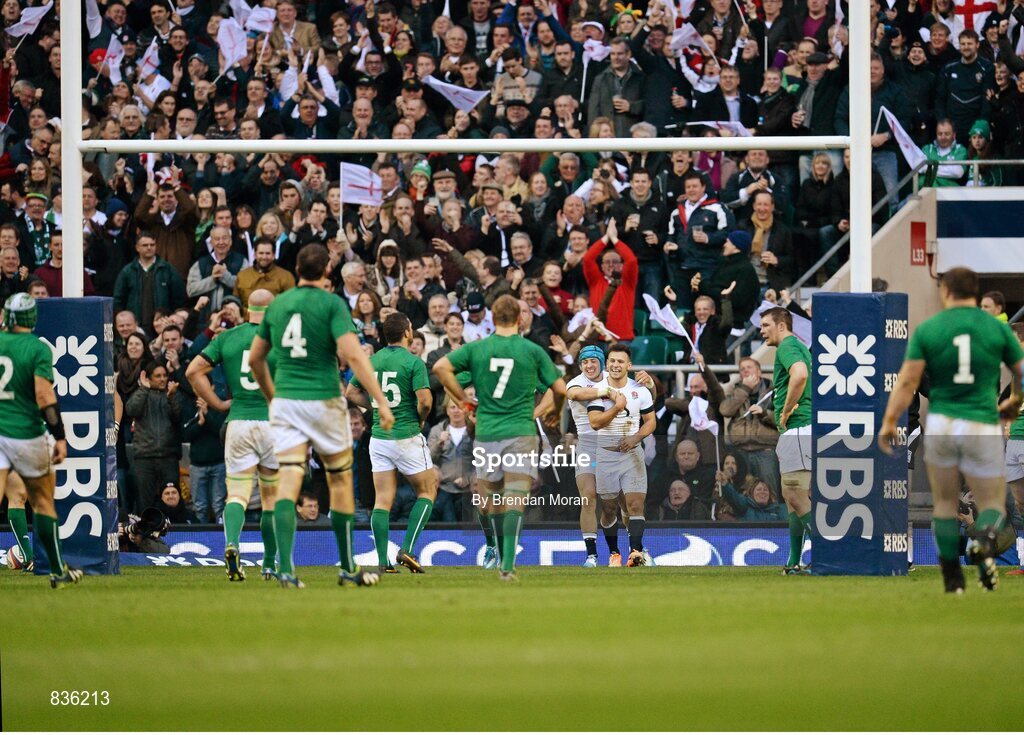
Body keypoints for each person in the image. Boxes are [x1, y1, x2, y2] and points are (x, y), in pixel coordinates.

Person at [248, 244, 394, 589]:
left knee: (288, 479)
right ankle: (346, 567)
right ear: (328, 271)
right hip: (324, 400)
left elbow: (256, 359)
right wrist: (381, 402)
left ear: (297, 269)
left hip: (286, 401)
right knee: (340, 480)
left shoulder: (279, 304)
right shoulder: (332, 304)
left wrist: (273, 397)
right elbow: (355, 357)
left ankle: (285, 569)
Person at [880, 267, 1024, 594]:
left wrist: (890, 420)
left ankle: (952, 576)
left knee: (945, 504)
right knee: (991, 504)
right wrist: (1011, 408)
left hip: (944, 423)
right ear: (975, 293)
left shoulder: (929, 329)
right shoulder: (994, 329)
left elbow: (907, 381)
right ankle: (984, 539)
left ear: (945, 291)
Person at [433, 294, 566, 580]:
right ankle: (507, 565)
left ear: (492, 318)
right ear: (519, 318)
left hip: (488, 432)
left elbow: (440, 367)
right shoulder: (531, 351)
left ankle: (493, 548)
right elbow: (561, 388)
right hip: (520, 432)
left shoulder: (478, 349)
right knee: (516, 497)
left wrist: (465, 403)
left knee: (490, 500)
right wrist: (551, 412)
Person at [186, 289, 281, 582]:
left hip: (238, 421)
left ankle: (231, 545)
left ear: (247, 308)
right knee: (270, 499)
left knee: (237, 494)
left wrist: (216, 404)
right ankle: (268, 562)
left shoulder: (227, 338)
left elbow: (193, 371)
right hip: (272, 423)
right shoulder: (281, 338)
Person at [346, 312, 437, 574]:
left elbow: (351, 392)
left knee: (382, 501)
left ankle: (383, 562)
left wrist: (377, 408)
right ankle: (406, 549)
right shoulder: (413, 362)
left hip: (380, 438)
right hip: (406, 434)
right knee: (427, 492)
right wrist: (420, 419)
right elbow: (426, 401)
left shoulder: (371, 360)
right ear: (407, 333)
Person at [0, 294, 80, 587]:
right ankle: (58, 570)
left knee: (13, 497)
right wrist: (60, 437)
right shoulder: (36, 348)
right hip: (26, 434)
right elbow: (45, 396)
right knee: (43, 502)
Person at [586, 343, 656, 568]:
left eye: (620, 361)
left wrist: (636, 438)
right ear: (607, 364)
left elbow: (651, 421)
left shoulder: (640, 389)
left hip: (632, 453)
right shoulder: (598, 389)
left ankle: (636, 553)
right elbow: (595, 423)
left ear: (629, 365)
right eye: (612, 361)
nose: (616, 365)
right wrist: (616, 407)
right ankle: (614, 552)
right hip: (605, 455)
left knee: (636, 504)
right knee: (608, 508)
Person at [759, 306, 813, 575]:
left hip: (799, 429)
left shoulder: (787, 346)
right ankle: (794, 561)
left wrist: (787, 407)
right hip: (799, 431)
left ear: (782, 325)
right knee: (791, 498)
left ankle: (827, 554)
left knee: (795, 494)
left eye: (766, 325)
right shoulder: (797, 345)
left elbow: (800, 374)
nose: (761, 330)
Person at [565, 345, 609, 568]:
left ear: (602, 362)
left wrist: (649, 383)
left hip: (614, 445)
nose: (589, 365)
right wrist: (606, 391)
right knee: (588, 496)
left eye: (593, 361)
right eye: (585, 362)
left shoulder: (616, 377)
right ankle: (591, 555)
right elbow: (575, 394)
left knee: (621, 500)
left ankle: (635, 550)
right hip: (588, 445)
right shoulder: (576, 382)